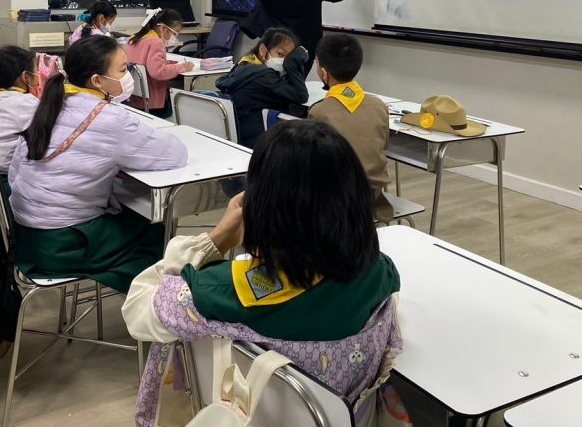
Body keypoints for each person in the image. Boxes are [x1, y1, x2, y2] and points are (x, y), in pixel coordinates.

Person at [122, 120, 403, 426]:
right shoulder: (379, 272)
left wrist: (215, 240)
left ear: (261, 206)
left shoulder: (218, 292)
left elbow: (138, 308)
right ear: (355, 199)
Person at [8, 35, 188, 293]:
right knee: (157, 235)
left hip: (25, 237)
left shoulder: (49, 105)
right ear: (97, 81)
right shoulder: (112, 119)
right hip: (64, 244)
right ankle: (157, 305)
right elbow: (175, 154)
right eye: (123, 70)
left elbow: (15, 173)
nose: (128, 78)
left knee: (129, 216)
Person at [310, 33, 394, 222]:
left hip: (335, 204)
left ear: (323, 73)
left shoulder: (319, 112)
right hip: (373, 201)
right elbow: (384, 145)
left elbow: (314, 163)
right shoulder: (379, 106)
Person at [215, 27, 308, 148]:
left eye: (289, 57)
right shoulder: (264, 75)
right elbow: (301, 96)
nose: (285, 61)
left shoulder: (245, 64)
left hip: (239, 133)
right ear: (263, 50)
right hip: (258, 139)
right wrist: (294, 63)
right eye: (280, 54)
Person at [124, 8, 193, 119]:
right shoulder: (156, 42)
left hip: (133, 100)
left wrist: (167, 63)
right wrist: (181, 67)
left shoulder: (133, 39)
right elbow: (158, 72)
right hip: (153, 104)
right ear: (163, 28)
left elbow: (143, 62)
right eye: (175, 33)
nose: (174, 37)